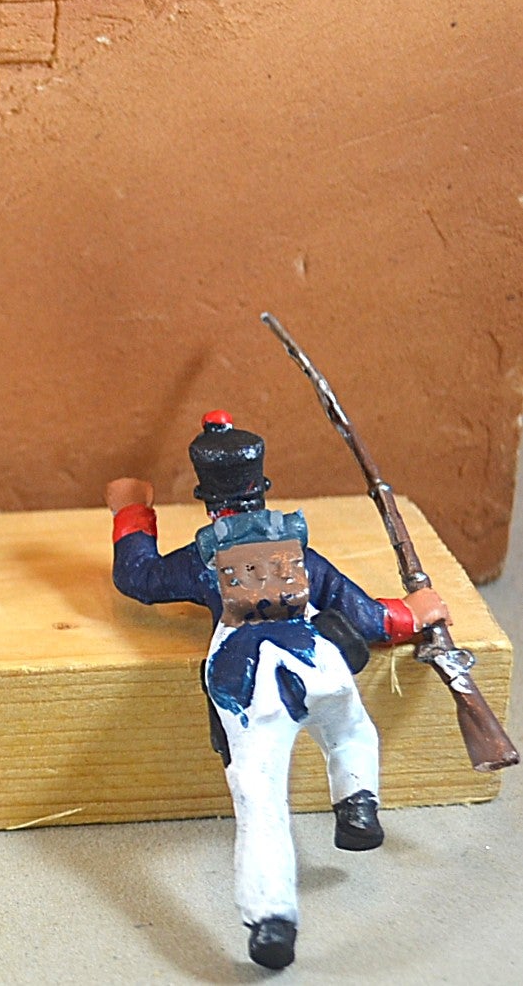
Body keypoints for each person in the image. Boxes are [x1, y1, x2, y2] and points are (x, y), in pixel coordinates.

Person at [106, 411, 448, 969]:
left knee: (261, 804)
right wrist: (410, 615)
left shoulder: (202, 560)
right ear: (260, 488)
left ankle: (271, 921)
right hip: (319, 664)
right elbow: (361, 613)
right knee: (353, 733)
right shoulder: (297, 552)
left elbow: (138, 578)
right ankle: (357, 805)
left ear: (208, 500)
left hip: (249, 684)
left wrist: (131, 510)